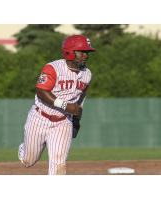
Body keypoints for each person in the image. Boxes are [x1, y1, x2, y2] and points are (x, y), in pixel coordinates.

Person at [18, 34, 96, 175]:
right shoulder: (53, 68)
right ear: (70, 52)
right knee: (29, 161)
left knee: (58, 164)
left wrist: (76, 120)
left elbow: (81, 98)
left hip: (63, 122)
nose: (86, 55)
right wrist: (66, 105)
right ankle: (24, 150)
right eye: (82, 52)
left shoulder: (87, 74)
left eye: (87, 52)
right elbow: (41, 91)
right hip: (39, 118)